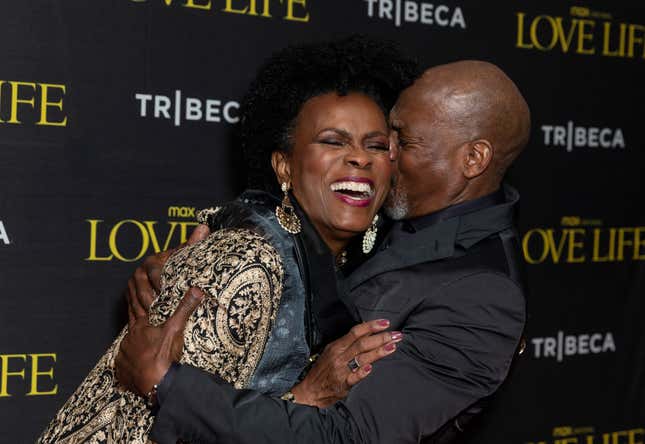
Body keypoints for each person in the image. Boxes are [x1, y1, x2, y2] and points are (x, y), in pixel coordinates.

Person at [117, 59, 530, 443]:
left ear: (473, 158)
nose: (380, 156)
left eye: (403, 141)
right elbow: (283, 218)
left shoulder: (483, 295)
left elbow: (347, 436)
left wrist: (168, 385)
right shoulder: (399, 209)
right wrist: (189, 259)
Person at [37, 36, 419, 444]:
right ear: (284, 167)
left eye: (376, 145)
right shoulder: (246, 262)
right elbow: (148, 431)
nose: (360, 157)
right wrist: (306, 400)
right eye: (333, 141)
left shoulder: (348, 260)